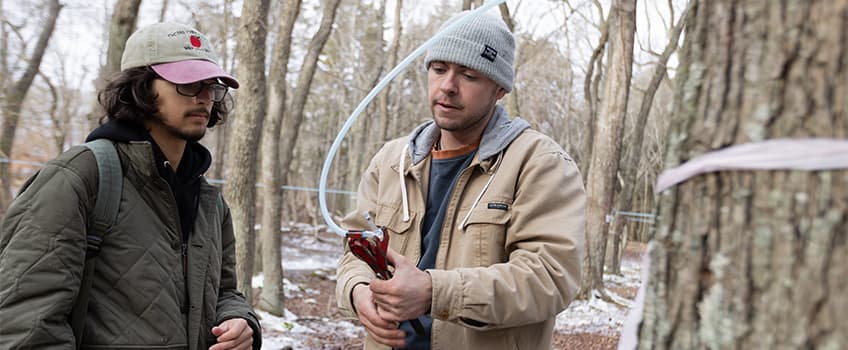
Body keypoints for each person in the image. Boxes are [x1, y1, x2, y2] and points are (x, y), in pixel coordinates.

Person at [0, 22, 261, 350]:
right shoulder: (78, 178)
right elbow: (24, 323)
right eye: (188, 83)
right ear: (141, 87)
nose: (205, 96)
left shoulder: (209, 200)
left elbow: (225, 292)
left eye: (212, 85)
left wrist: (239, 320)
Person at [335, 10, 586, 350]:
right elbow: (355, 251)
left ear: (499, 89)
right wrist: (358, 292)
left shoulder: (539, 164)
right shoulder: (391, 162)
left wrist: (434, 293)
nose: (448, 86)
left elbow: (550, 277)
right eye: (439, 69)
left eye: (468, 75)